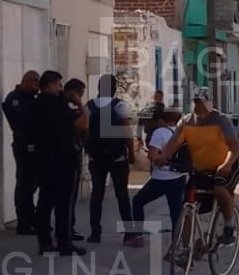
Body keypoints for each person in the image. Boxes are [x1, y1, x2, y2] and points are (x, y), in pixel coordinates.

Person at [155, 87, 239, 246]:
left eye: (203, 102)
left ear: (210, 103)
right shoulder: (186, 122)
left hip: (227, 164)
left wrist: (226, 164)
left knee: (219, 188)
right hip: (201, 169)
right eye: (196, 102)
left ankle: (229, 227)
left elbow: (234, 147)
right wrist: (163, 157)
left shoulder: (221, 121)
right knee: (188, 207)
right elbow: (173, 144)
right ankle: (186, 249)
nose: (199, 106)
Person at [31, 71, 89, 256]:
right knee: (64, 203)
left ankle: (45, 242)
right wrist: (80, 103)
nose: (60, 88)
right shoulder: (57, 104)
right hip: (63, 159)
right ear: (50, 85)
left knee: (45, 202)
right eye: (58, 85)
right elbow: (83, 124)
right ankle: (64, 243)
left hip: (44, 159)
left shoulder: (37, 104)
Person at [125, 106, 188, 248]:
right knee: (176, 211)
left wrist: (162, 157)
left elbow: (152, 156)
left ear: (162, 120)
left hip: (162, 177)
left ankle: (139, 235)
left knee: (138, 201)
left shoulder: (160, 132)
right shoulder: (182, 132)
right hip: (180, 176)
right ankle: (176, 243)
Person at [85, 74, 135, 244]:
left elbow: (83, 129)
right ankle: (129, 233)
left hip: (96, 158)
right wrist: (132, 153)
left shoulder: (89, 107)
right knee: (122, 195)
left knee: (96, 195)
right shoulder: (119, 106)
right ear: (114, 89)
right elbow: (127, 132)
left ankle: (95, 233)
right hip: (117, 158)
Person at [2, 70, 40, 235]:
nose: (37, 86)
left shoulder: (32, 98)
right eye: (35, 82)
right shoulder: (15, 99)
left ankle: (32, 219)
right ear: (26, 81)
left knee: (32, 184)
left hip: (35, 145)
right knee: (25, 185)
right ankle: (24, 222)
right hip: (24, 146)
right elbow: (21, 123)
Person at [64, 78, 88, 243]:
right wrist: (80, 104)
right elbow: (83, 125)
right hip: (67, 155)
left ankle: (68, 229)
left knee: (69, 197)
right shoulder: (67, 107)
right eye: (80, 94)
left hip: (74, 152)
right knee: (67, 197)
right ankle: (66, 231)